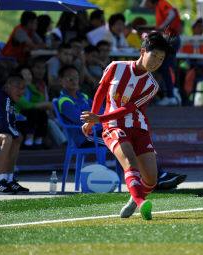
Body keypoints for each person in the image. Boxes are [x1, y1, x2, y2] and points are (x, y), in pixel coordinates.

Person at [80, 32, 175, 220]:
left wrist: (98, 118)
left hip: (139, 128)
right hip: (113, 125)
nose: (157, 61)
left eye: (161, 59)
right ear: (142, 52)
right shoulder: (115, 67)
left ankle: (135, 197)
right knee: (130, 163)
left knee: (151, 179)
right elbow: (101, 91)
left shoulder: (152, 86)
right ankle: (141, 203)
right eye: (154, 55)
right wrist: (94, 118)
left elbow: (129, 108)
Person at [58, 65, 186, 190]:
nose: (74, 81)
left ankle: (157, 176)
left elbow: (104, 111)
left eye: (75, 78)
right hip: (87, 138)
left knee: (137, 140)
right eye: (69, 78)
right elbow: (82, 119)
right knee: (128, 144)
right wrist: (101, 120)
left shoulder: (84, 97)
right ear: (61, 81)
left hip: (102, 130)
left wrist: (104, 119)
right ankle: (157, 178)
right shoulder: (63, 101)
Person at [141, 0, 182, 106]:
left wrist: (162, 26)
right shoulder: (159, 7)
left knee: (165, 67)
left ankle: (170, 95)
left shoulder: (161, 3)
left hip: (170, 38)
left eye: (147, 4)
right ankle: (170, 93)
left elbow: (171, 14)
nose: (147, 7)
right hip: (171, 38)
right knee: (163, 68)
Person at [15, 65, 52, 149]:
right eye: (25, 74)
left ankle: (38, 140)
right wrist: (44, 104)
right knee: (32, 111)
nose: (28, 77)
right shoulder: (16, 89)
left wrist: (32, 88)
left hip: (27, 115)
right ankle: (28, 141)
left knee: (42, 112)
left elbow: (39, 98)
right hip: (17, 117)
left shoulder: (29, 88)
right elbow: (24, 105)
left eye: (29, 74)